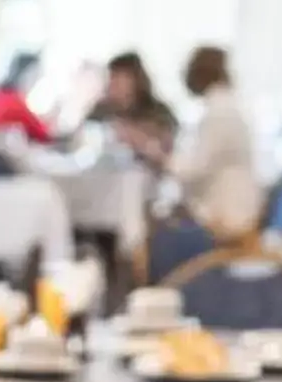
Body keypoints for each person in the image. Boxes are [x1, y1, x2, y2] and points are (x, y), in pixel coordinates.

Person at [172, 44, 262, 239]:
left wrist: (161, 156)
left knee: (159, 228)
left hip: (227, 216)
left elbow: (195, 169)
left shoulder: (219, 113)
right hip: (238, 206)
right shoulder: (230, 106)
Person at [79, 51, 178, 164]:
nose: (113, 85)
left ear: (136, 80)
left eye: (120, 79)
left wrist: (133, 136)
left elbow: (166, 153)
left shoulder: (159, 113)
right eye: (112, 78)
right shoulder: (101, 110)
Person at [0, 53, 51, 145]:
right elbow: (42, 133)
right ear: (25, 75)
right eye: (35, 76)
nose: (35, 82)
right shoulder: (14, 101)